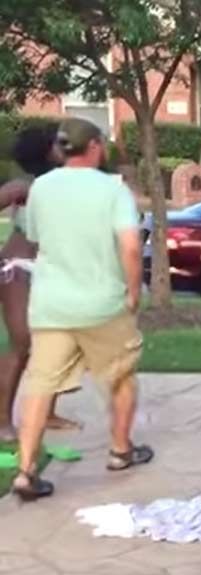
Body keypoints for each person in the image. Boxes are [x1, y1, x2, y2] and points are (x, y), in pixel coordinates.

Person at [11, 118, 148, 501]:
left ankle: (25, 472)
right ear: (94, 147)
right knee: (120, 377)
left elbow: (35, 237)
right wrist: (133, 292)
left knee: (40, 385)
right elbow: (130, 247)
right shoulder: (113, 190)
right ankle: (120, 450)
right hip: (103, 304)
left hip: (51, 305)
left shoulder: (41, 188)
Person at [0, 126, 80, 442]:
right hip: (17, 269)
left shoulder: (67, 184)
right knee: (22, 344)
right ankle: (2, 421)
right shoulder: (24, 186)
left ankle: (47, 413)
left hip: (51, 270)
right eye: (60, 143)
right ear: (46, 151)